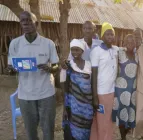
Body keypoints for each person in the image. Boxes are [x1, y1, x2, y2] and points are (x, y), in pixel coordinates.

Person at [7, 11, 59, 140]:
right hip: (25, 94)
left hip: (46, 93)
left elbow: (56, 66)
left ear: (36, 23)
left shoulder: (48, 43)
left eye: (29, 20)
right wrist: (11, 69)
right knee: (30, 131)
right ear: (20, 24)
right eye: (23, 21)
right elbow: (10, 67)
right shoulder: (15, 43)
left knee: (48, 129)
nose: (26, 23)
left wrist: (50, 68)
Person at [89, 22, 118, 140]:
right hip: (101, 92)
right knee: (100, 121)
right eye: (107, 34)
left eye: (112, 34)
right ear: (102, 36)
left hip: (112, 91)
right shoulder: (96, 51)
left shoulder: (116, 50)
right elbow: (94, 75)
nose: (110, 37)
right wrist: (95, 96)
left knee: (108, 120)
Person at [60, 39, 93, 140]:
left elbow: (93, 83)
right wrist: (65, 107)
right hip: (73, 105)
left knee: (86, 130)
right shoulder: (67, 65)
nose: (74, 52)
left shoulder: (89, 65)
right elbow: (63, 84)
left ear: (82, 51)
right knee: (72, 131)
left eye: (77, 50)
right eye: (72, 50)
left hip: (87, 106)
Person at [112, 34, 138, 140]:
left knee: (131, 112)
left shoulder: (137, 54)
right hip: (121, 88)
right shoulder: (119, 52)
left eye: (133, 41)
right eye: (128, 41)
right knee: (122, 112)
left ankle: (126, 133)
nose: (130, 43)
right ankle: (123, 137)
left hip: (133, 89)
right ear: (124, 43)